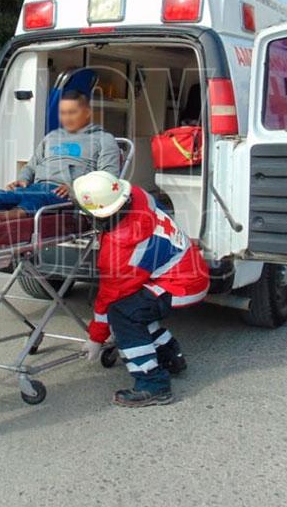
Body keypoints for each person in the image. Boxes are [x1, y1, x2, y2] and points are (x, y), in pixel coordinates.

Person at [72, 170, 209, 407]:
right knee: (136, 306)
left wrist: (96, 337)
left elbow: (109, 297)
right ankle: (171, 358)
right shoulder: (139, 196)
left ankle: (153, 385)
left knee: (123, 313)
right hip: (188, 267)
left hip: (182, 284)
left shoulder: (121, 251)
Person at [0, 90, 120, 226]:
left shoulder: (103, 139)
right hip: (35, 187)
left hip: (66, 194)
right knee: (3, 196)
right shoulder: (52, 137)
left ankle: (0, 218)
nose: (67, 118)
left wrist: (75, 188)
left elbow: (108, 179)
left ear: (87, 113)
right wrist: (23, 179)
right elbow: (31, 166)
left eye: (72, 112)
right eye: (63, 113)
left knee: (38, 199)